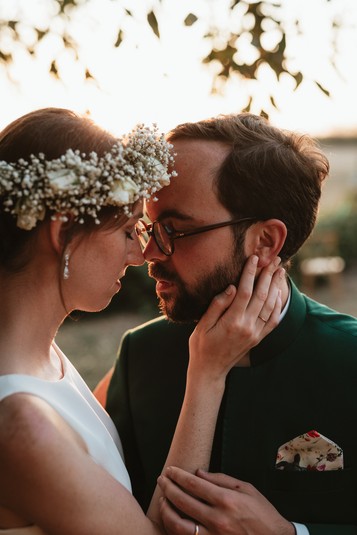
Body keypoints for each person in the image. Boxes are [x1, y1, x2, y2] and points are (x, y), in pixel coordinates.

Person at [0, 107, 284, 535]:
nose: (140, 254)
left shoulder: (42, 357)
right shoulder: (22, 426)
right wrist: (207, 373)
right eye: (129, 230)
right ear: (63, 234)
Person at [102, 113, 357, 535]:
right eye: (150, 228)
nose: (149, 254)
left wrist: (289, 533)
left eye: (175, 231)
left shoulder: (350, 360)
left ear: (265, 241)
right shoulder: (139, 356)